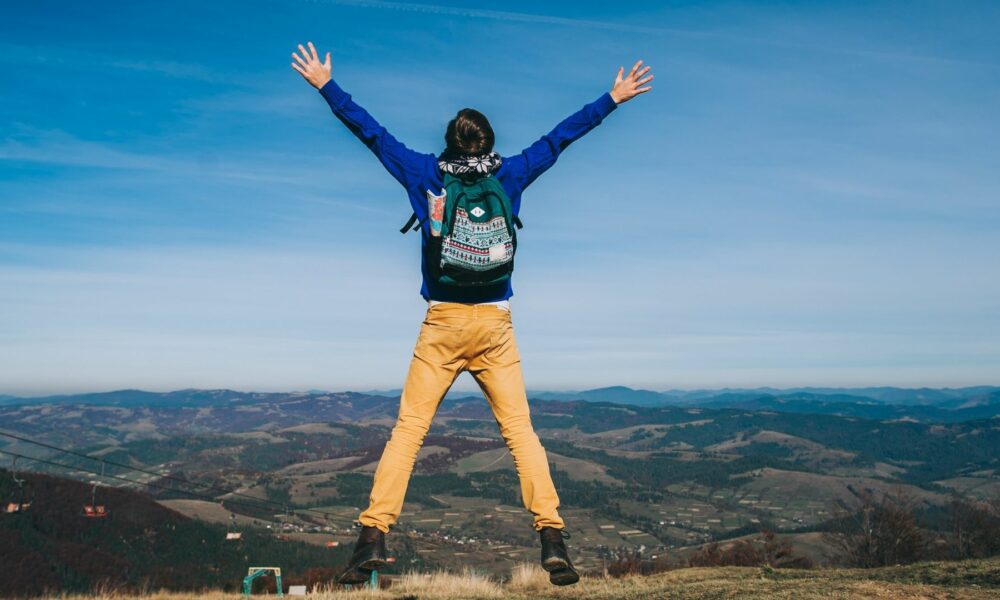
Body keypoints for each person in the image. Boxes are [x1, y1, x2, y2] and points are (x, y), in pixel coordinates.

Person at [291, 41, 652, 586]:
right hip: (496, 327)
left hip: (441, 325)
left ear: (449, 143)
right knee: (520, 433)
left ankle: (372, 535)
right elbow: (560, 139)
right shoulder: (511, 175)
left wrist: (326, 86)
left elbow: (372, 134)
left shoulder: (423, 174)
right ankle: (551, 536)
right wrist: (613, 98)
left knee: (409, 432)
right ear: (489, 142)